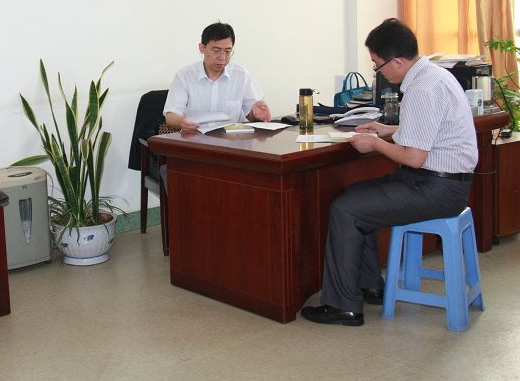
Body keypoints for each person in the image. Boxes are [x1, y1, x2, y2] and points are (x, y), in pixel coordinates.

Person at [301, 18, 477, 326]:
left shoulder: (422, 89)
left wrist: (374, 144)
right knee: (356, 195)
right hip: (444, 184)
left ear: (397, 61)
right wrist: (387, 130)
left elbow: (414, 157)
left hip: (435, 188)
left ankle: (343, 307)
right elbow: (428, 132)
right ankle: (370, 285)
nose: (377, 72)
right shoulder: (435, 76)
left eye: (377, 65)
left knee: (346, 210)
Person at [163, 21, 271, 131]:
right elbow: (171, 116)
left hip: (232, 139)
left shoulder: (242, 75)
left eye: (227, 51)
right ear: (202, 48)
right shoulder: (184, 76)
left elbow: (251, 115)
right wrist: (181, 121)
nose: (222, 57)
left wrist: (256, 114)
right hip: (196, 138)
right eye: (216, 50)